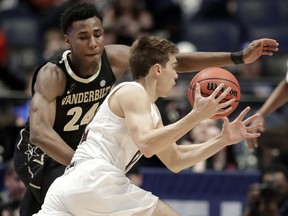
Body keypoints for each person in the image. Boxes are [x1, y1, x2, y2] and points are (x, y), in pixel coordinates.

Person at [12, 2, 279, 216]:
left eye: (98, 34)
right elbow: (147, 144)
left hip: (71, 185)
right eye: (173, 68)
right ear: (157, 69)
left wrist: (222, 139)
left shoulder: (149, 109)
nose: (178, 75)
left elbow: (175, 161)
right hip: (80, 171)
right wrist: (196, 115)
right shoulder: (131, 91)